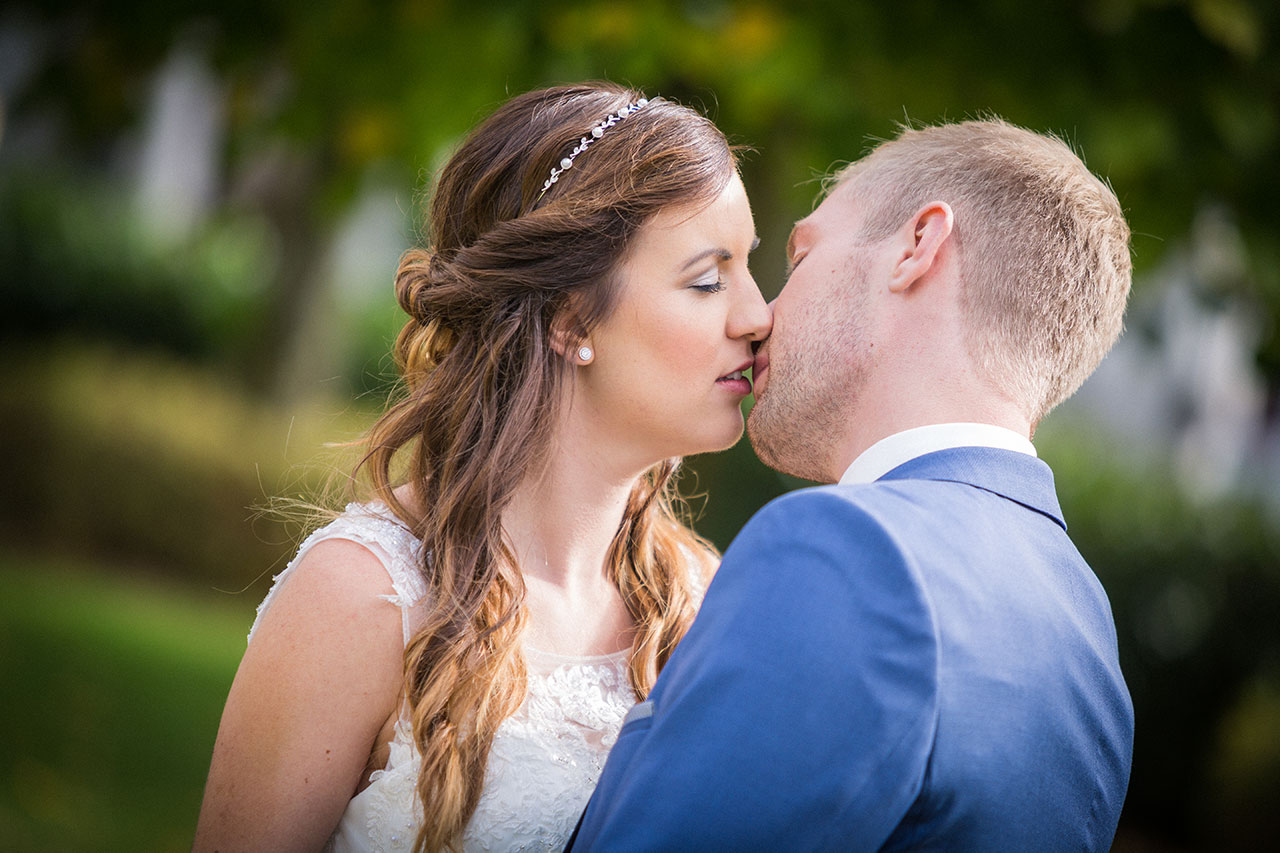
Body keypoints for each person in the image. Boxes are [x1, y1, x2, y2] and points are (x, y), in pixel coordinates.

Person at [193, 82, 771, 852]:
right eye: (708, 279)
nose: (759, 315)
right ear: (570, 319)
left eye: (750, 269)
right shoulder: (365, 596)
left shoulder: (704, 602)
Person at [568, 119, 1135, 851]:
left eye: (800, 258)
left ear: (918, 246)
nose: (761, 314)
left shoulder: (845, 550)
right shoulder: (1082, 618)